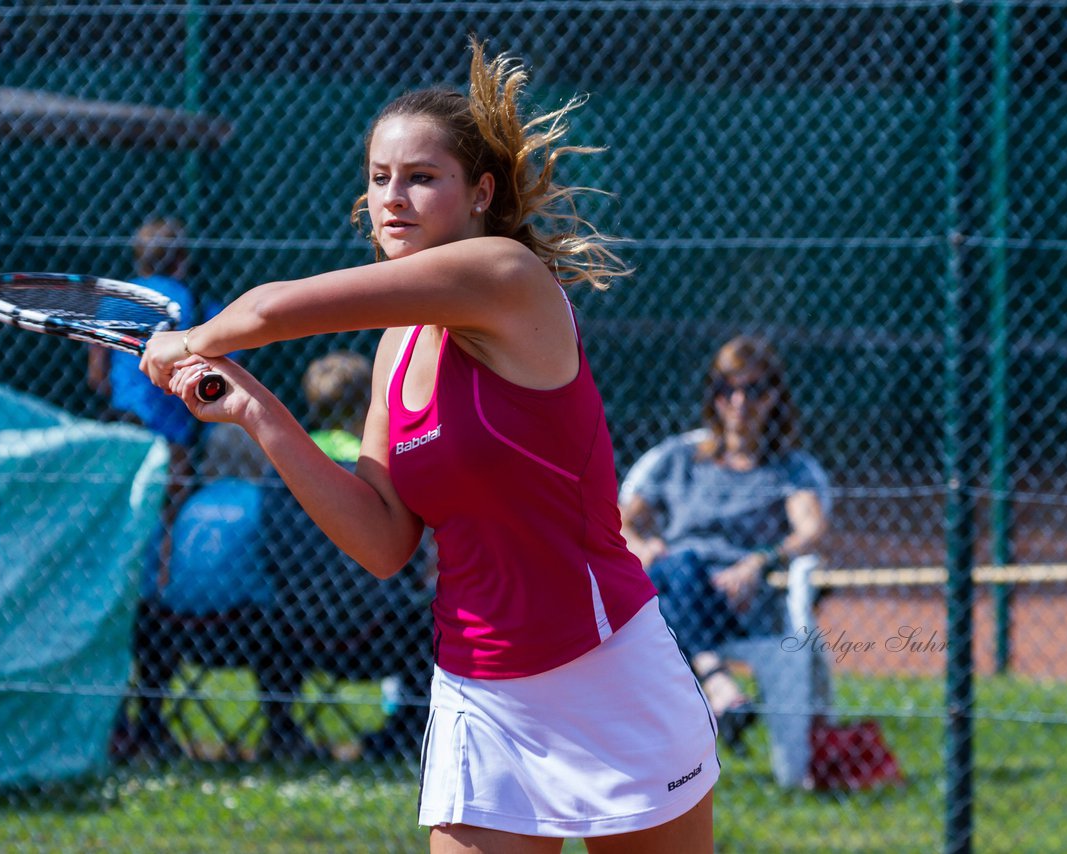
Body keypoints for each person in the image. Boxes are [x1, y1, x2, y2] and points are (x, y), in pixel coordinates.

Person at [139, 37, 717, 853]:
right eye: (379, 178)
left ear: (480, 193)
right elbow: (381, 538)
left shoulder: (506, 276)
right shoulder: (397, 346)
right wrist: (258, 412)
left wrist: (188, 336)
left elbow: (270, 313)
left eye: (421, 177)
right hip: (479, 689)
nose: (392, 199)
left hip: (605, 670)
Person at [618, 334, 831, 753]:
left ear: (774, 397)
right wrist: (642, 546)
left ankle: (716, 693)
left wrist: (759, 562)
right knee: (677, 564)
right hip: (673, 582)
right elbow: (621, 520)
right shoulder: (679, 458)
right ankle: (717, 681)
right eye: (726, 389)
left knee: (671, 574)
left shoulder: (789, 469)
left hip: (741, 603)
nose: (739, 402)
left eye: (753, 390)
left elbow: (812, 532)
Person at [257, 350, 434, 762]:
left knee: (261, 614)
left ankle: (282, 730)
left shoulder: (287, 463)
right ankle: (404, 734)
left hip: (295, 630)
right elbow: (411, 557)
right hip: (374, 632)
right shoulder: (374, 462)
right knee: (432, 621)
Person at [92, 216, 202, 761]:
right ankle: (152, 723)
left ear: (137, 263)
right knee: (159, 571)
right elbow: (201, 361)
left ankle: (117, 724)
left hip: (121, 441)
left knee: (118, 571)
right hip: (170, 447)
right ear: (180, 262)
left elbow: (96, 376)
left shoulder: (115, 298)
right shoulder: (180, 297)